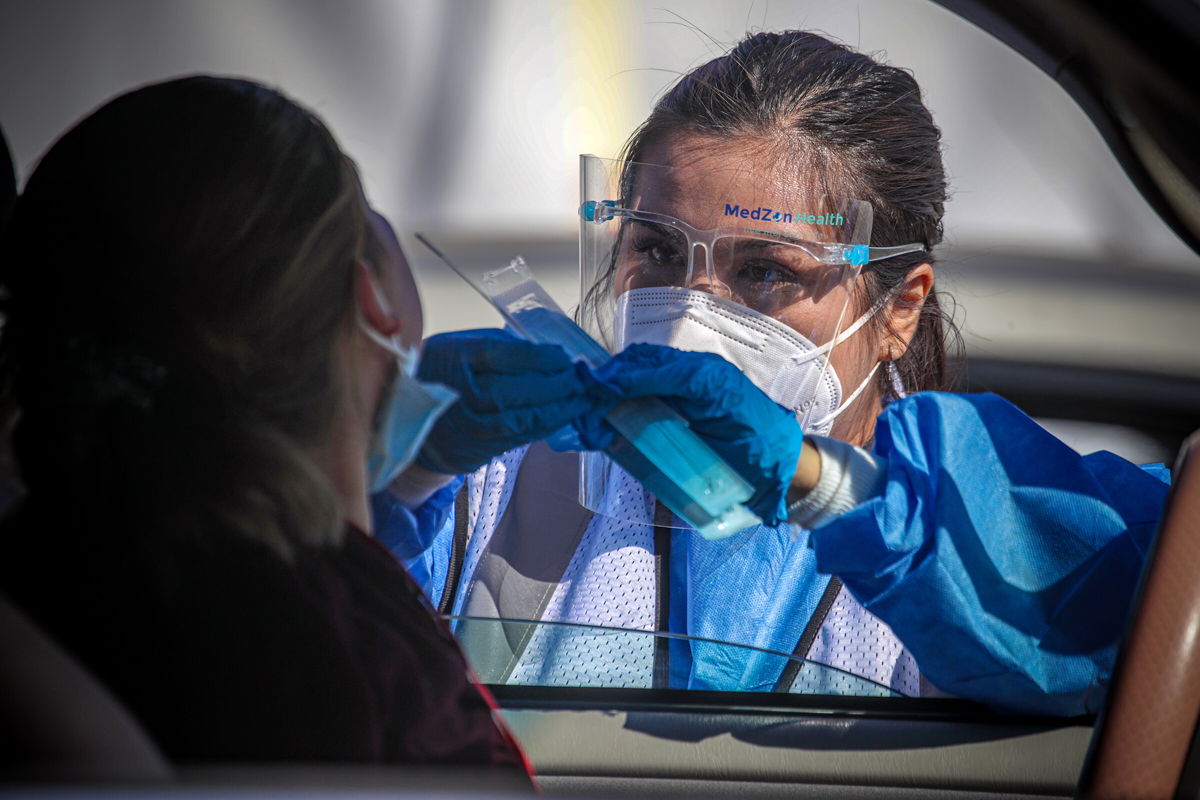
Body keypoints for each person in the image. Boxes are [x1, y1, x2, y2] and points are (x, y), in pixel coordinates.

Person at [379, 31, 1172, 716]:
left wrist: (820, 486)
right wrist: (391, 469)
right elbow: (302, 641)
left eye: (765, 271)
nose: (687, 323)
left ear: (899, 308)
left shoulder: (961, 526)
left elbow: (1132, 611)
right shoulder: (489, 496)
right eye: (656, 250)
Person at [0, 75, 609, 773]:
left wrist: (403, 488)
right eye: (375, 223)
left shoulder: (42, 566)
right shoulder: (332, 650)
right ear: (372, 299)